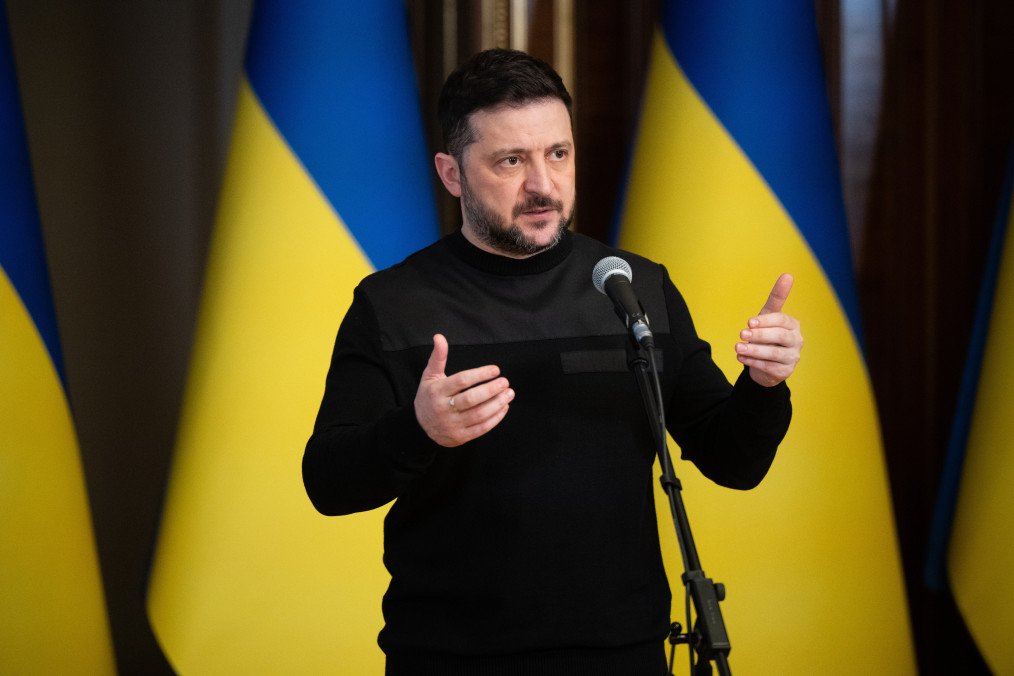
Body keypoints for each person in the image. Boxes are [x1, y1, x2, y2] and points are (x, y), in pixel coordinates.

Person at [302, 48, 802, 675]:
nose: (543, 184)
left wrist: (762, 384)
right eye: (511, 160)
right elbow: (328, 482)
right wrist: (418, 429)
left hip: (625, 653)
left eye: (557, 154)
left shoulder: (633, 289)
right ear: (452, 173)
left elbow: (735, 461)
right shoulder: (394, 304)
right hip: (452, 658)